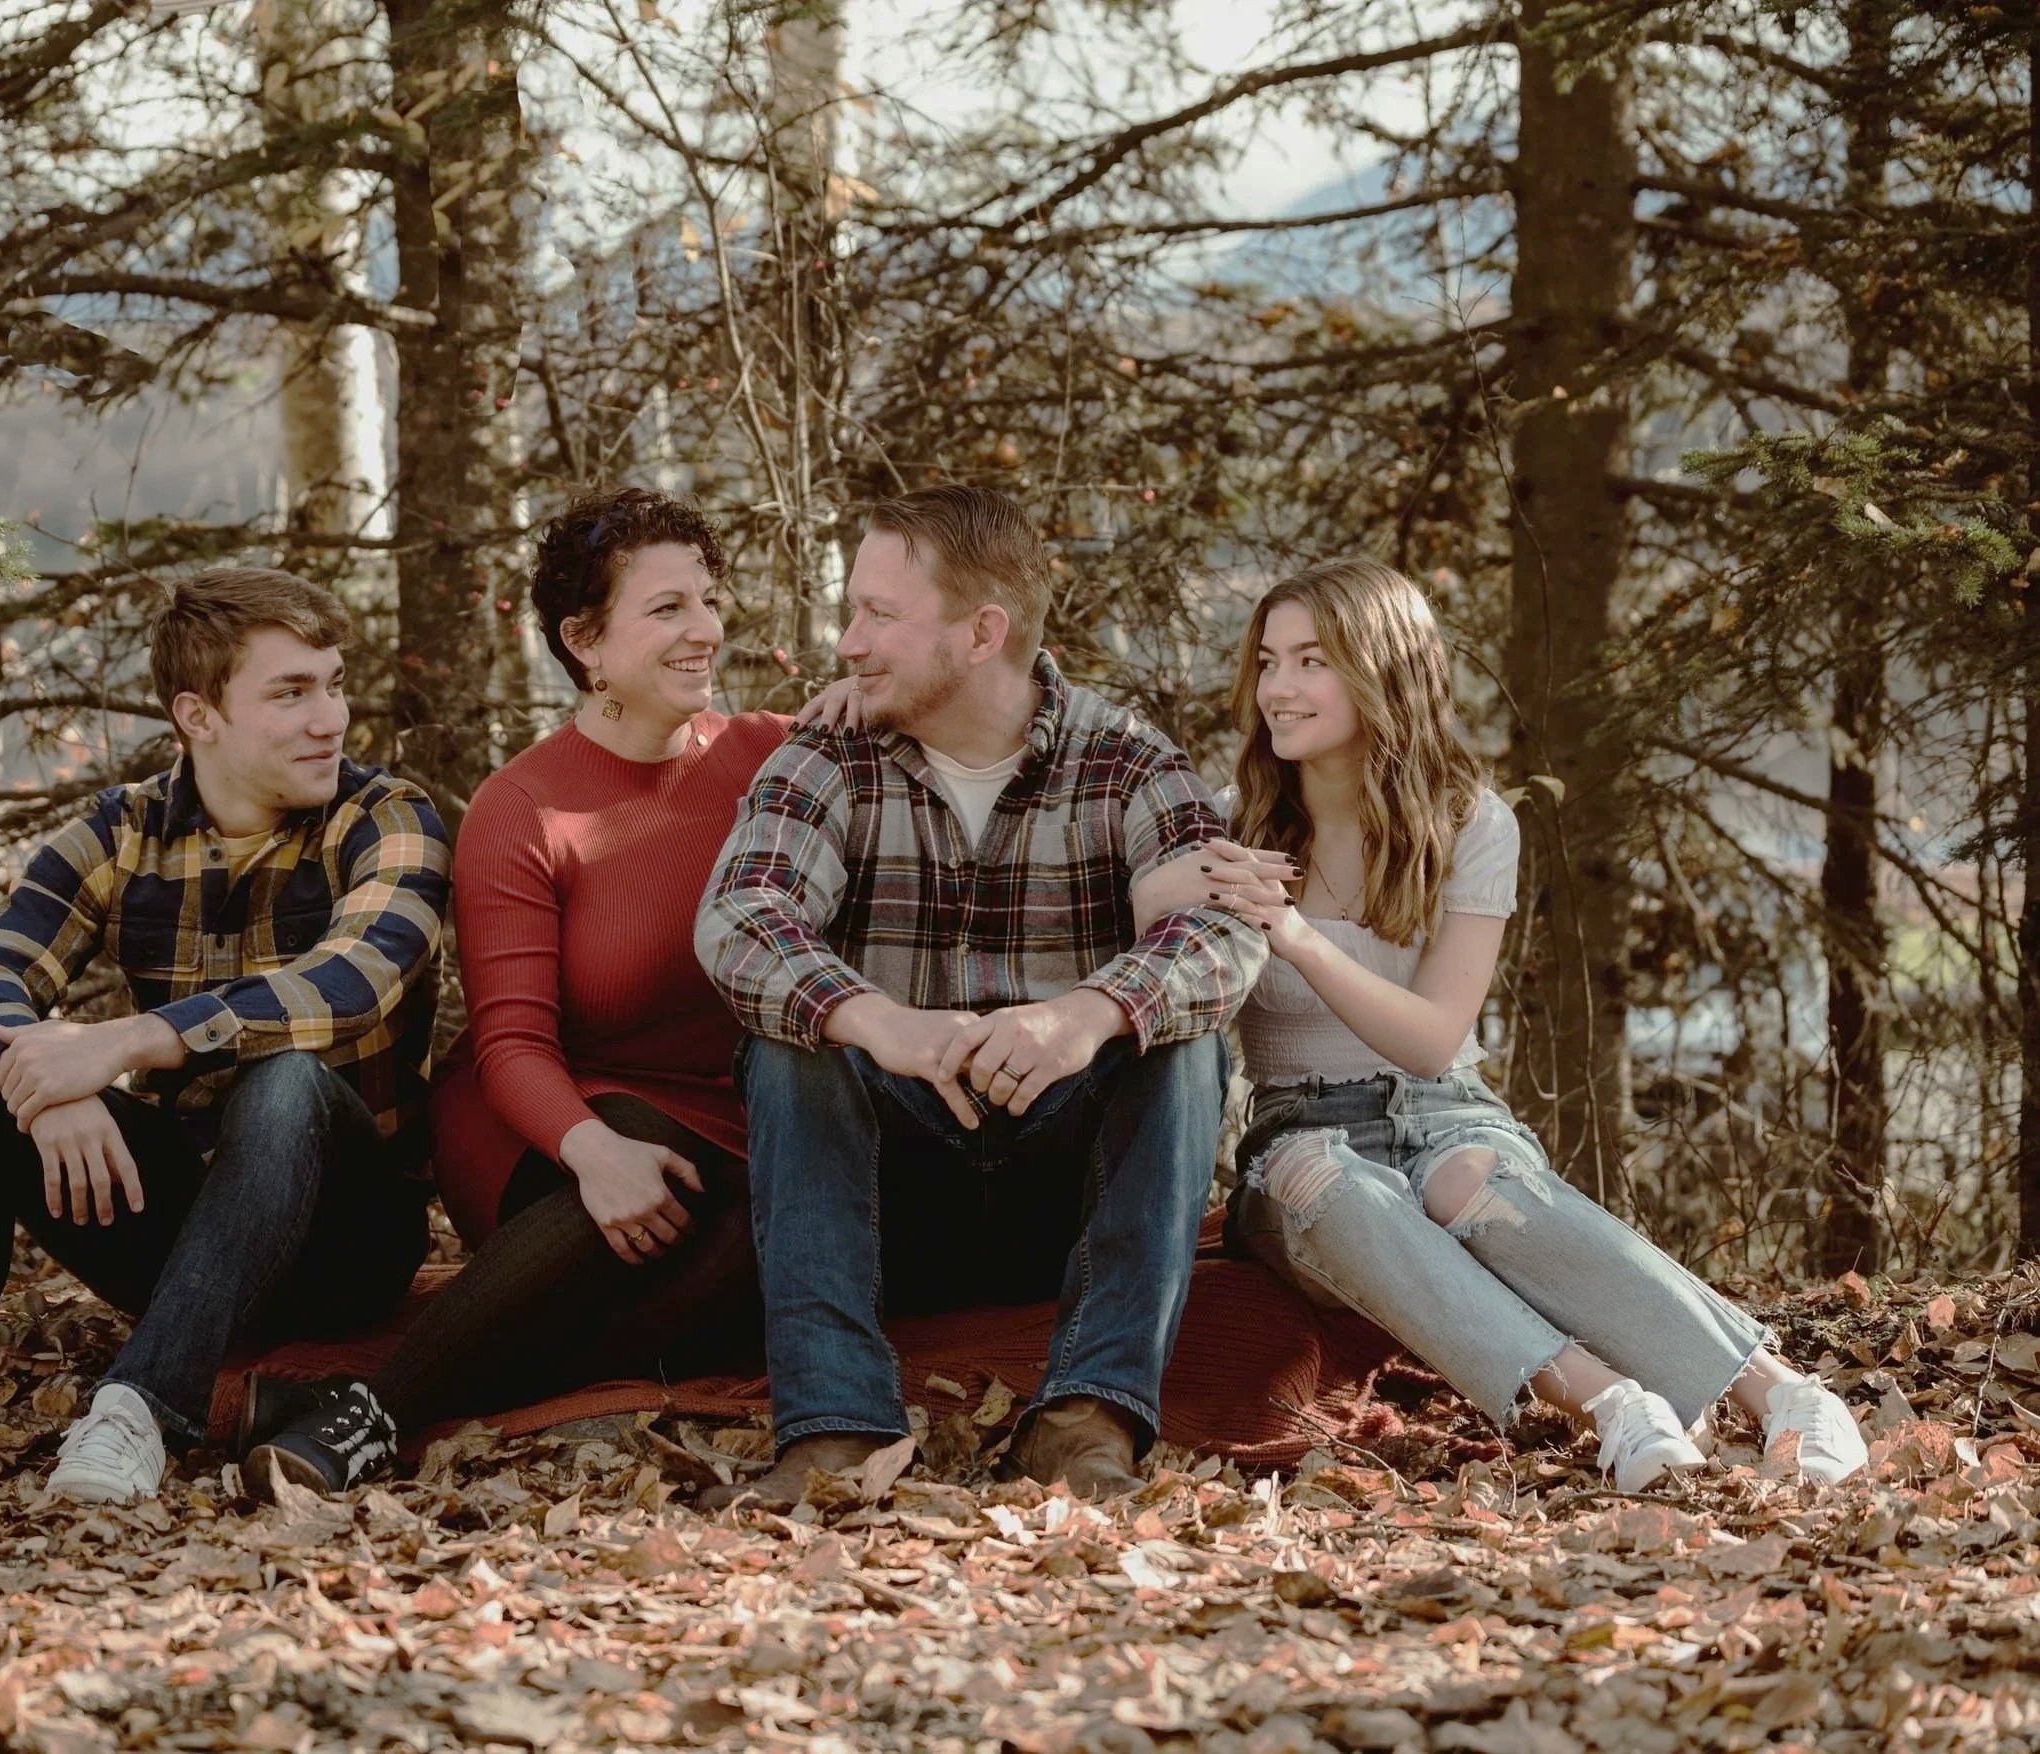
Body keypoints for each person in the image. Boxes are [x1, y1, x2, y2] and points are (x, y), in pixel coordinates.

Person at [1137, 557, 1867, 1489]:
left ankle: (1784, 1394)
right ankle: (1617, 1407)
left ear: (1382, 668)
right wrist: (1185, 879)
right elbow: (1141, 911)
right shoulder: (1237, 825)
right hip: (1299, 1133)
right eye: (1269, 661)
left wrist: (1297, 937)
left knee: (1468, 1187)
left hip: (1446, 1109)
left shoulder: (1470, 824)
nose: (1278, 687)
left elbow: (1435, 1038)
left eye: (1311, 661)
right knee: (1341, 1186)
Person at [0, 568, 448, 1506]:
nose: (329, 717)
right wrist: (48, 1082)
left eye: (333, 683)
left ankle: (140, 1414)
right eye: (291, 693)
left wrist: (121, 1044)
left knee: (283, 1080)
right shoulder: (121, 830)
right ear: (197, 716)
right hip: (182, 1235)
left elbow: (355, 980)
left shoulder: (385, 817)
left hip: (349, 1239)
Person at [243, 489, 862, 1495]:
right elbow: (514, 1042)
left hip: (737, 1134)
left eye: (706, 599)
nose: (703, 628)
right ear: (585, 639)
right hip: (549, 1123)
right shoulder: (522, 807)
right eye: (666, 609)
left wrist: (863, 706)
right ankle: (372, 1418)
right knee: (636, 1172)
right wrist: (596, 1152)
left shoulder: (775, 754)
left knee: (759, 1264)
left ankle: (349, 1395)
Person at [694, 483, 1275, 1509]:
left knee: (1180, 1045)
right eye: (852, 609)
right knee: (790, 1038)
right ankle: (834, 1431)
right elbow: (741, 916)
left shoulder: (1124, 760)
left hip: (1063, 1194)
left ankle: (1083, 1419)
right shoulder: (830, 753)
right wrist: (884, 1023)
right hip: (886, 1191)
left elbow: (1226, 931)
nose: (848, 639)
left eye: (878, 613)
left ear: (981, 632)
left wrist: (1083, 1014)